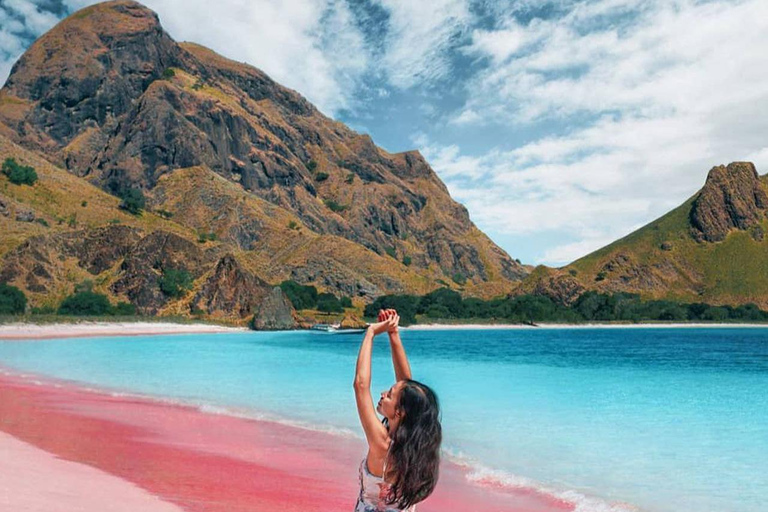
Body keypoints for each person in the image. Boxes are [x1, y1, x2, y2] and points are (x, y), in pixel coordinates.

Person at [353, 308, 442, 512]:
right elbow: (407, 386)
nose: (383, 394)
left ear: (400, 412)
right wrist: (393, 334)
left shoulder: (383, 445)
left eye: (390, 394)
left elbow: (360, 385)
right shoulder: (417, 448)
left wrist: (371, 333)